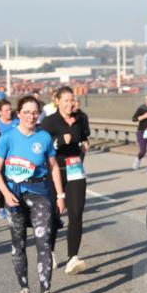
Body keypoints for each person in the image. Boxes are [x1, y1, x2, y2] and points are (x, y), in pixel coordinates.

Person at [0, 96, 66, 293]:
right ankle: (24, 289)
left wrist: (60, 195)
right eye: (27, 112)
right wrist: (5, 193)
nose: (32, 116)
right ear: (19, 114)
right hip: (14, 194)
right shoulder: (7, 138)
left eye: (35, 112)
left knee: (43, 241)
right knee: (18, 244)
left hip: (40, 193)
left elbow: (53, 167)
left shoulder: (44, 138)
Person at [41, 86, 91, 275]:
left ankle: (73, 258)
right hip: (56, 171)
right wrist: (60, 140)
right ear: (57, 101)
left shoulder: (80, 119)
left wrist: (85, 144)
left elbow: (84, 138)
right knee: (55, 215)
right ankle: (51, 250)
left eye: (72, 100)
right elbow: (46, 147)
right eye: (66, 100)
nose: (70, 104)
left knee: (77, 213)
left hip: (76, 170)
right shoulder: (49, 121)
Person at [0, 100, 19, 219]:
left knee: (16, 182)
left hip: (15, 158)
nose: (9, 112)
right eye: (6, 110)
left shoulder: (17, 122)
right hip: (1, 158)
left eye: (10, 109)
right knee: (1, 183)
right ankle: (2, 207)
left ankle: (16, 204)